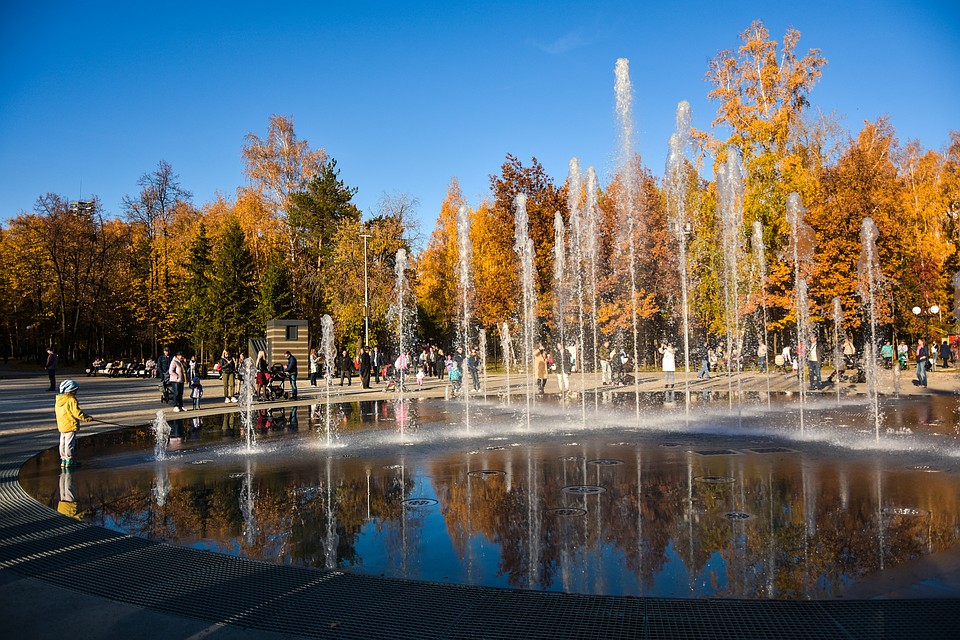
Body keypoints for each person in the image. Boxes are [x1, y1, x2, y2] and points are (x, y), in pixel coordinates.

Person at [56, 379, 92, 468]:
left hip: (62, 424)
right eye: (75, 390)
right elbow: (76, 413)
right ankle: (69, 460)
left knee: (62, 443)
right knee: (69, 443)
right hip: (70, 424)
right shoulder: (71, 400)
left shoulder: (59, 400)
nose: (76, 392)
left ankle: (63, 459)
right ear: (71, 391)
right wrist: (86, 418)